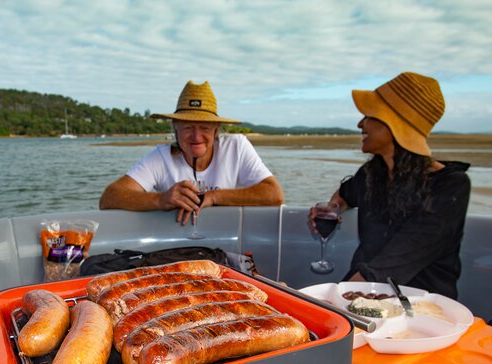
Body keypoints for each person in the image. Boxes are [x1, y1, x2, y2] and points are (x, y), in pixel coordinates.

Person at [314, 72, 470, 299]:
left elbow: (395, 262)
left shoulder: (450, 186)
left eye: (368, 115)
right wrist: (333, 208)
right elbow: (346, 193)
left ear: (394, 125)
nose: (360, 124)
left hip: (421, 308)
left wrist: (329, 301)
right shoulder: (372, 173)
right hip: (363, 294)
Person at [99, 81, 283, 225]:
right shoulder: (161, 156)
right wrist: (160, 199)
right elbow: (109, 197)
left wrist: (213, 197)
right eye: (188, 127)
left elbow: (274, 194)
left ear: (216, 129)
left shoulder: (237, 147)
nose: (196, 136)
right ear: (175, 128)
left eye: (204, 127)